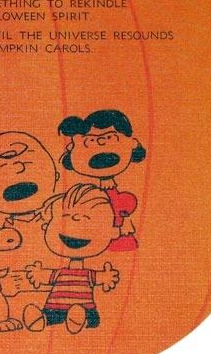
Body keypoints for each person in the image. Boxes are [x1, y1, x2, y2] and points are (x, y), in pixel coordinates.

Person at [22, 184, 120, 334]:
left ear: (111, 232)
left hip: (84, 307)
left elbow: (98, 278)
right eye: (66, 216)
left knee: (90, 317)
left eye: (88, 219)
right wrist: (38, 274)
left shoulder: (88, 275)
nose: (76, 220)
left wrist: (107, 277)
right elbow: (47, 277)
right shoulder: (60, 273)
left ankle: (80, 320)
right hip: (56, 306)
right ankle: (42, 319)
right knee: (52, 315)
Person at [58, 109, 145, 251]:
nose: (101, 143)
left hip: (118, 240)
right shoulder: (82, 192)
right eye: (90, 141)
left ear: (133, 143)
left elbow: (125, 204)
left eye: (110, 138)